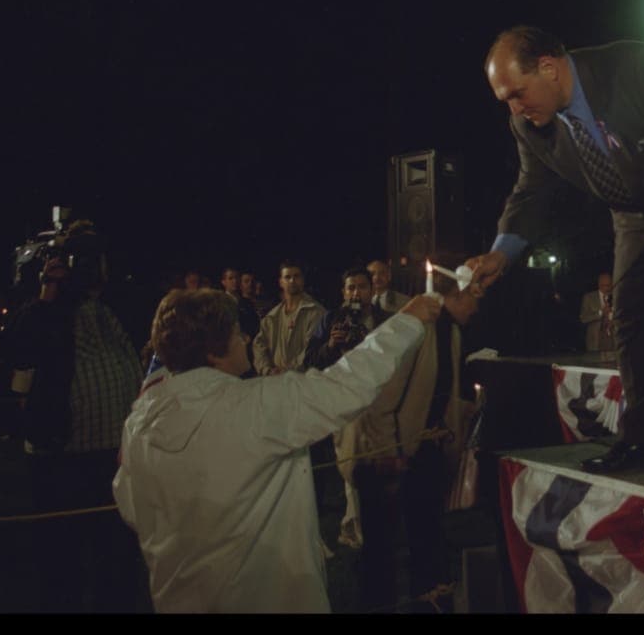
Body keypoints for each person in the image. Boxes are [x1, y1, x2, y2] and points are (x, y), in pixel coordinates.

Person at [468, 26, 644, 473]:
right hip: (634, 212)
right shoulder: (527, 125)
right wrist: (502, 252)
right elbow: (532, 191)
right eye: (505, 99)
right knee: (633, 320)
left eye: (518, 93)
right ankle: (642, 443)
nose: (515, 108)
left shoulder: (635, 68)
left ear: (549, 67)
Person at [112, 288, 443, 613]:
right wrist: (409, 319)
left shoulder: (139, 420)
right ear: (213, 350)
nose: (245, 339)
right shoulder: (255, 406)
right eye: (237, 332)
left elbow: (131, 506)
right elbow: (348, 384)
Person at [4, 218, 144, 612]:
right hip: (62, 455)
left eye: (92, 256)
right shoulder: (43, 310)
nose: (87, 265)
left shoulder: (111, 305)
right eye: (77, 256)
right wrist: (50, 289)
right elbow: (17, 348)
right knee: (60, 562)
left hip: (113, 456)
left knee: (115, 560)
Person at [336, 254, 481, 613]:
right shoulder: (416, 327)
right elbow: (381, 398)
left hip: (417, 450)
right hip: (382, 451)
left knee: (426, 533)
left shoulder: (452, 331)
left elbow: (437, 393)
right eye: (476, 297)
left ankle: (428, 598)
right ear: (457, 295)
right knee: (380, 549)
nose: (479, 307)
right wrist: (389, 452)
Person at [252, 260, 327, 376]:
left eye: (296, 276)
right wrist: (267, 370)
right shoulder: (272, 317)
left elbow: (312, 350)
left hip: (303, 381)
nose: (292, 281)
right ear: (281, 282)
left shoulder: (315, 312)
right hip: (275, 382)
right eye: (287, 277)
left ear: (303, 280)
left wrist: (287, 372)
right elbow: (259, 347)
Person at [578, 272, 616, 352]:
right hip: (596, 339)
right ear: (599, 285)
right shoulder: (589, 298)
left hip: (614, 338)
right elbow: (583, 318)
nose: (607, 288)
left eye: (609, 285)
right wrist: (600, 313)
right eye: (604, 285)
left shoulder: (616, 296)